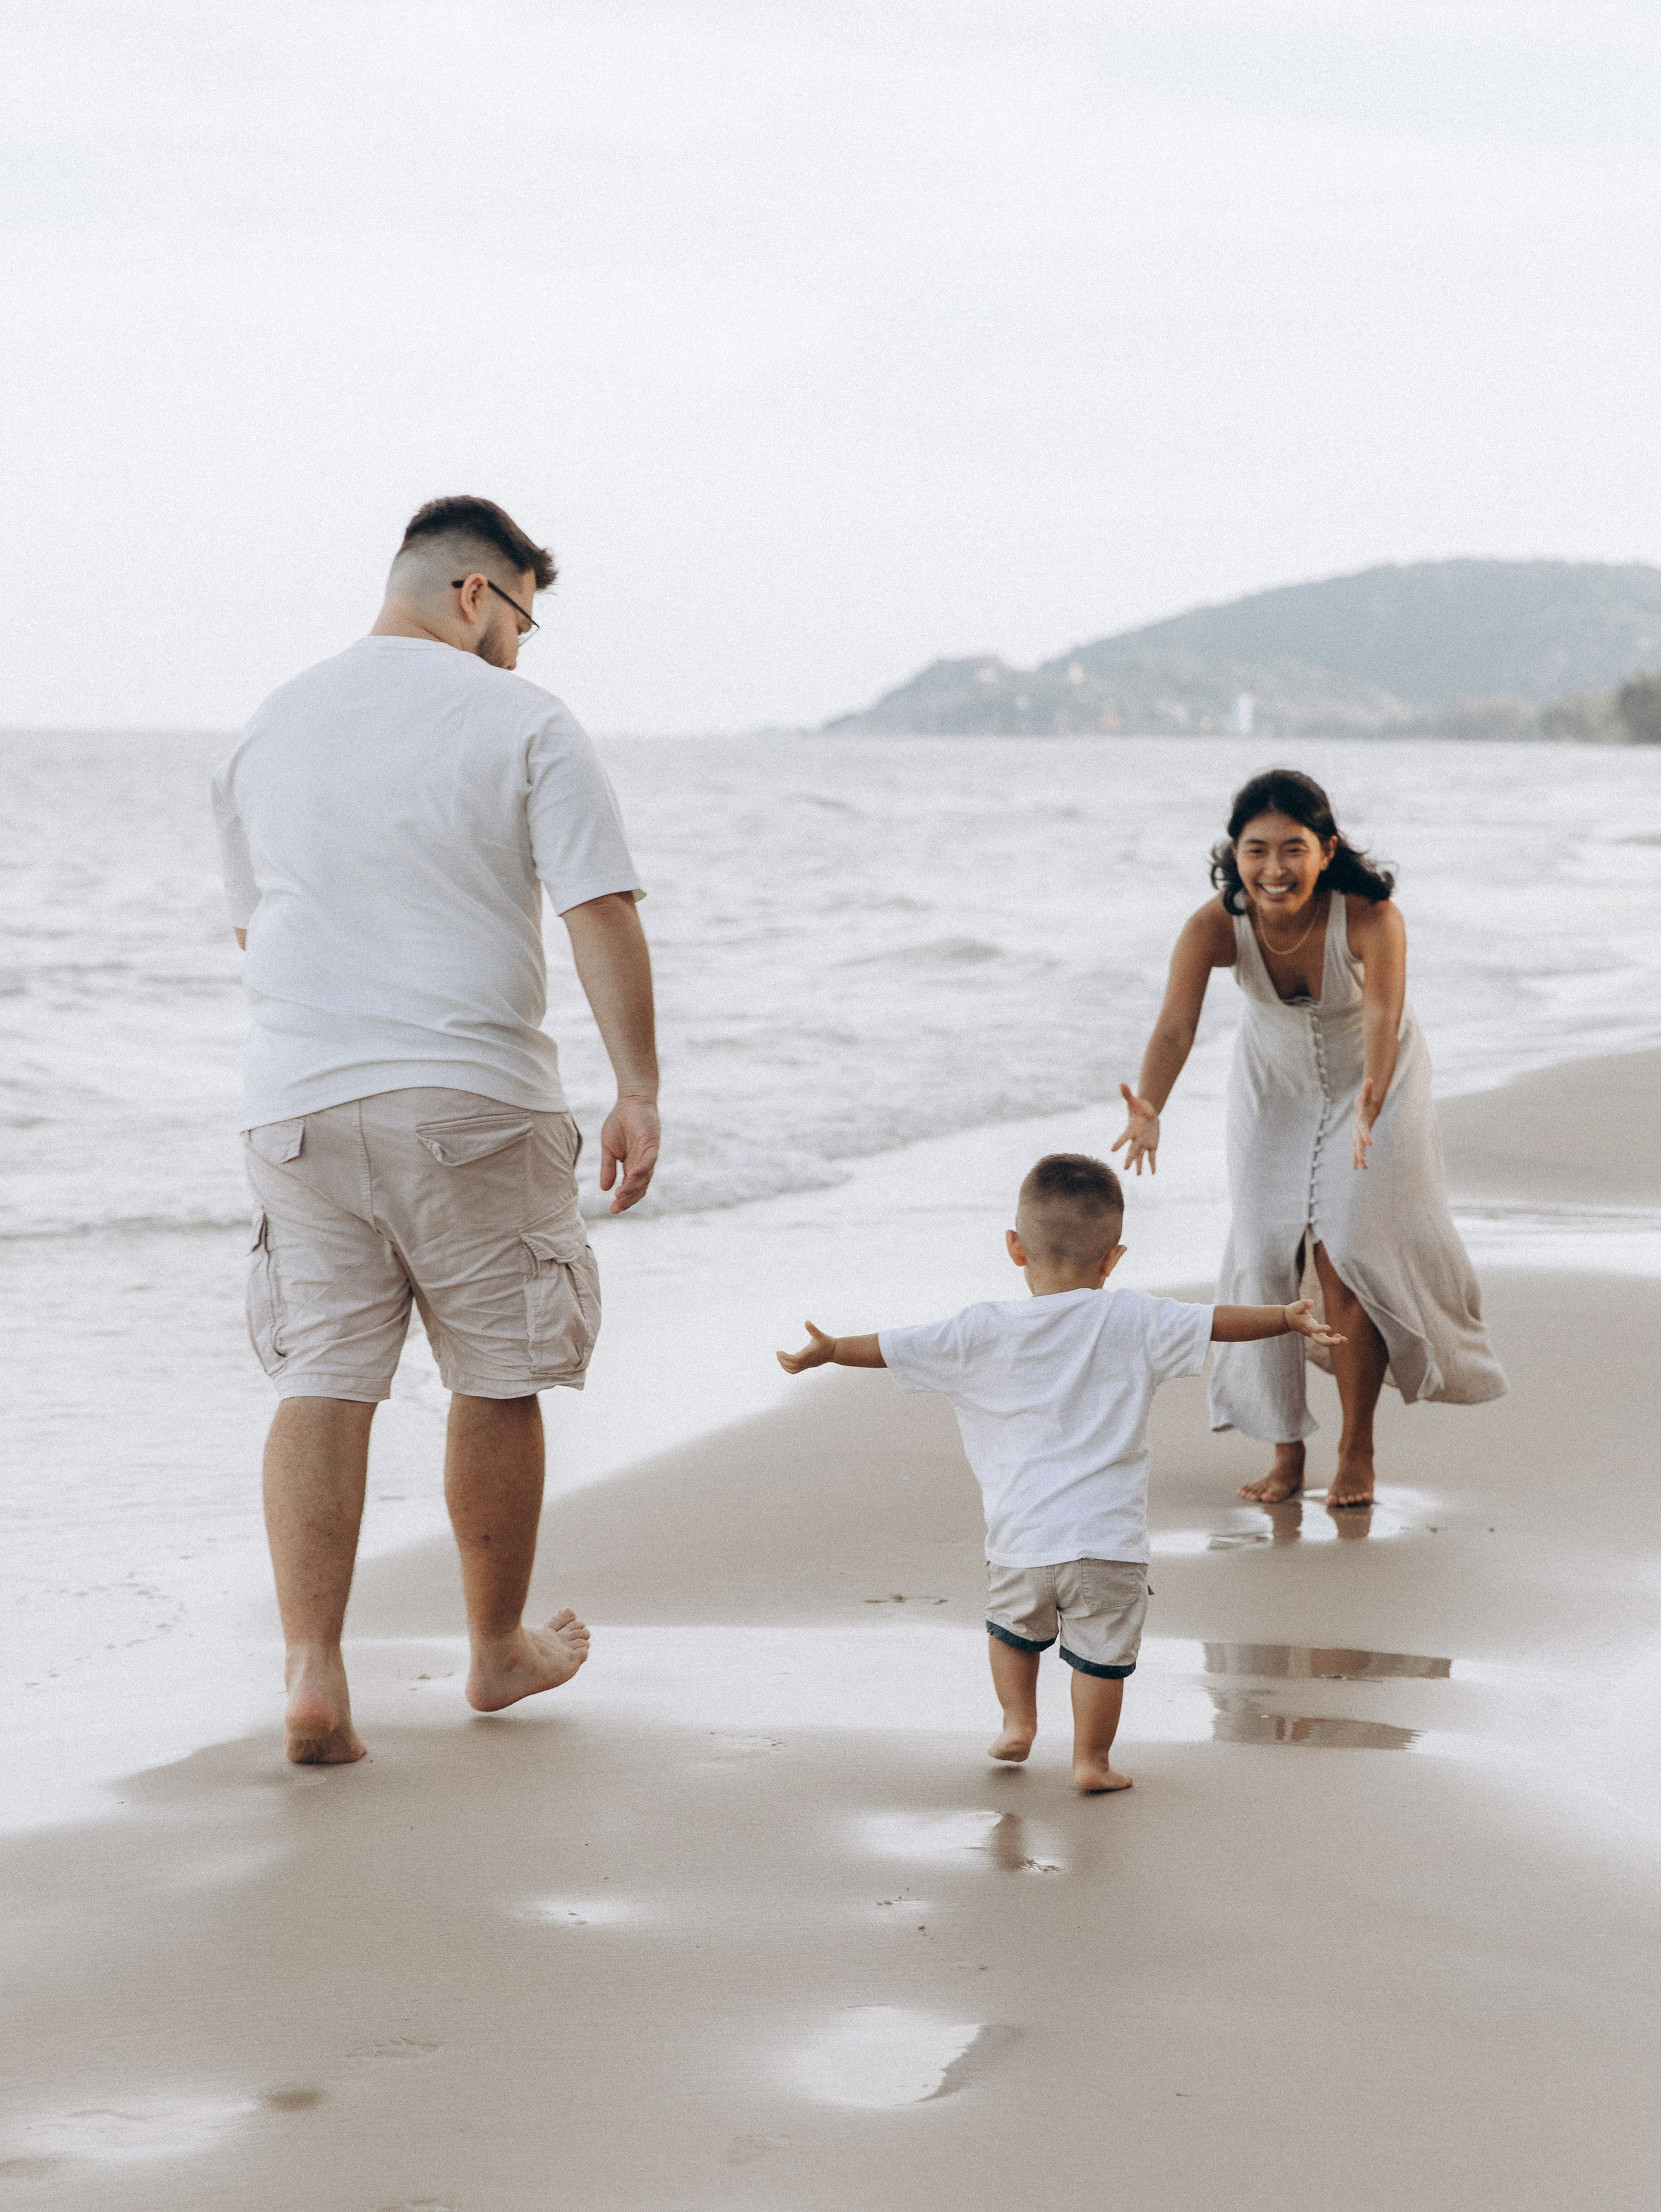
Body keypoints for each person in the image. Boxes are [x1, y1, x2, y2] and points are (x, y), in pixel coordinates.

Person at [212, 494, 659, 1766]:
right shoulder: (524, 720)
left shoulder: (263, 729)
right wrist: (638, 1087)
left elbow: (258, 931)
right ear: (476, 594)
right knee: (496, 1369)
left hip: (295, 1103)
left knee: (323, 1374)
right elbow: (599, 907)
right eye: (522, 618)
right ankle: (496, 1647)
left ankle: (313, 1672)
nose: (519, 646)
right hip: (468, 1093)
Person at [775, 1154, 1342, 1792]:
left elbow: (894, 1346)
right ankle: (1091, 1761)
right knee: (1102, 1658)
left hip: (1021, 1539)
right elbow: (1215, 1321)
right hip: (1109, 1543)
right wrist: (1283, 1317)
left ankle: (1017, 1722)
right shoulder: (1134, 1319)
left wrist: (832, 1350)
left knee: (1011, 1634)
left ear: (1015, 1248)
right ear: (1113, 1258)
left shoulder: (978, 1330)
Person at [1113, 767, 1506, 1511]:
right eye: (1256, 850)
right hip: (1273, 1088)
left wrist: (1371, 1096)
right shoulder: (1214, 925)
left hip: (1377, 1082)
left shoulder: (1371, 916)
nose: (1274, 868)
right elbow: (1174, 1025)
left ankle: (1356, 1448)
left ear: (1326, 850)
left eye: (1292, 848)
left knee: (1345, 1251)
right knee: (1264, 1256)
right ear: (1234, 853)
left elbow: (1382, 1012)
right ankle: (1285, 1449)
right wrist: (1149, 1107)